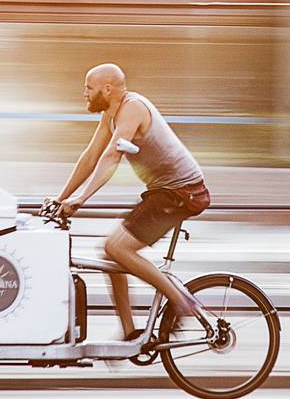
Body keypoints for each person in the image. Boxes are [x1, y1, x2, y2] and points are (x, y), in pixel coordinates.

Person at [45, 63, 213, 342]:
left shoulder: (132, 108)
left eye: (88, 88)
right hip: (162, 191)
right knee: (110, 252)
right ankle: (129, 331)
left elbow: (112, 156)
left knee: (115, 246)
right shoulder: (110, 116)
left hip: (182, 192)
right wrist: (61, 197)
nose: (84, 93)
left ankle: (183, 301)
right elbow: (90, 157)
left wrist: (81, 199)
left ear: (107, 89)